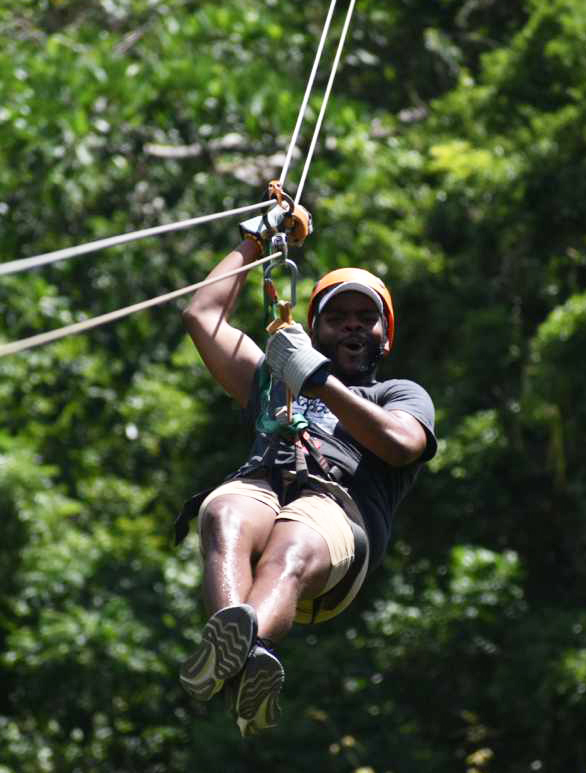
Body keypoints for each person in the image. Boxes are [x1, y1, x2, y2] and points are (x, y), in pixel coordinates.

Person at [175, 202, 437, 736]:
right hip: (263, 489)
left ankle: (242, 651)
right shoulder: (274, 383)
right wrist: (256, 239)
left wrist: (317, 379)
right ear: (313, 331)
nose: (353, 326)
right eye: (338, 318)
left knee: (289, 548)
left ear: (386, 337)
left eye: (366, 319)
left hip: (335, 517)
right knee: (223, 513)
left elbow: (400, 445)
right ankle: (243, 663)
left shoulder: (398, 395)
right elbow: (202, 317)